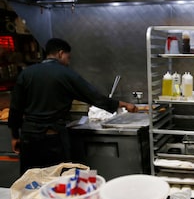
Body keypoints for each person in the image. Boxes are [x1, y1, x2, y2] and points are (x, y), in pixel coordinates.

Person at [8, 38, 138, 174]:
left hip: (28, 137)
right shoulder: (65, 74)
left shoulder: (26, 74)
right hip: (52, 138)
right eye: (68, 58)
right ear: (60, 53)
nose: (68, 62)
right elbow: (93, 97)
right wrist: (123, 104)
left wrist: (14, 136)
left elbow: (15, 107)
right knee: (57, 180)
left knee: (30, 180)